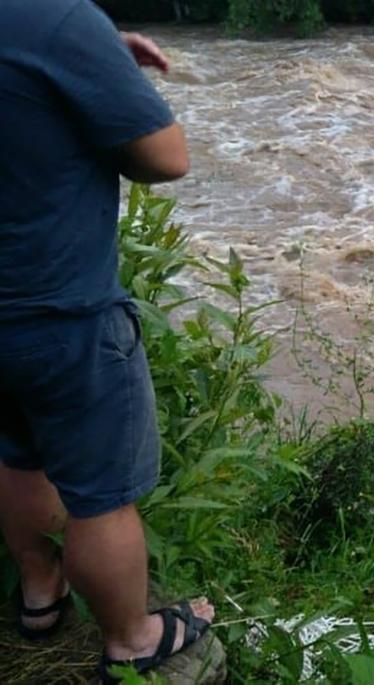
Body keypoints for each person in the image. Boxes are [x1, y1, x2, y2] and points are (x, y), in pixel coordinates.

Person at [0, 2, 213, 682]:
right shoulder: (59, 20)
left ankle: (40, 592)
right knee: (101, 494)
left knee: (16, 452)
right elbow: (165, 157)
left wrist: (87, 54)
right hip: (61, 310)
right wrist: (90, 55)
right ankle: (131, 636)